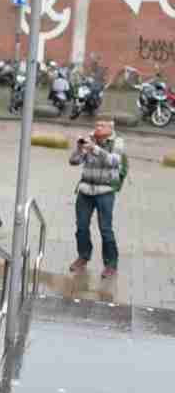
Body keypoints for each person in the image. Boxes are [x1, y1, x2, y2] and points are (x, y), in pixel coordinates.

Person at [69, 119, 126, 279]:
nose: (97, 128)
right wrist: (79, 148)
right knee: (81, 227)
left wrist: (94, 149)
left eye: (102, 126)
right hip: (85, 191)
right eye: (96, 125)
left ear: (111, 128)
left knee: (105, 230)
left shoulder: (117, 142)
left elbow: (114, 161)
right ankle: (83, 257)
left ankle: (110, 265)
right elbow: (73, 161)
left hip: (105, 192)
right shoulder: (89, 140)